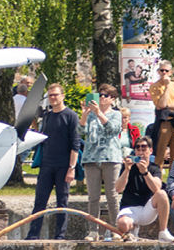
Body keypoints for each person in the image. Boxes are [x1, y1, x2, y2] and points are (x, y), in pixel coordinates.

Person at [25, 83, 82, 241]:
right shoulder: (48, 116)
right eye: (50, 95)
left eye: (56, 95)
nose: (53, 98)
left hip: (63, 165)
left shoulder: (71, 116)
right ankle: (33, 234)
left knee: (61, 202)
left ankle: (60, 236)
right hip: (47, 164)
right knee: (40, 200)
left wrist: (71, 167)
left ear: (62, 96)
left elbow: (75, 144)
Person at [79, 85, 127, 241]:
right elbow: (80, 133)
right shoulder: (91, 115)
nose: (101, 97)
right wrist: (85, 115)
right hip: (91, 159)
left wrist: (99, 113)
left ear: (112, 99)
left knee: (112, 196)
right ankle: (93, 231)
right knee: (93, 197)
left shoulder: (116, 114)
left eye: (105, 95)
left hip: (110, 158)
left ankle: (115, 229)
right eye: (99, 95)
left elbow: (113, 129)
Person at [111, 136, 174, 242]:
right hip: (130, 207)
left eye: (144, 148)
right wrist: (126, 170)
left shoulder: (154, 168)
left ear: (150, 151)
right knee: (122, 224)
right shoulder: (128, 167)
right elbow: (118, 189)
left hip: (147, 208)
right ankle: (132, 228)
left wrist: (145, 173)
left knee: (162, 194)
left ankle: (163, 231)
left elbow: (156, 188)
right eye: (138, 148)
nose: (141, 152)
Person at [149, 62, 174, 168]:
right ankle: (157, 181)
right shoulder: (154, 86)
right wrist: (167, 86)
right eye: (162, 70)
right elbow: (161, 104)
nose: (164, 73)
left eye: (166, 71)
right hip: (163, 122)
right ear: (158, 72)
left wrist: (168, 105)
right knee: (160, 154)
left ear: (170, 72)